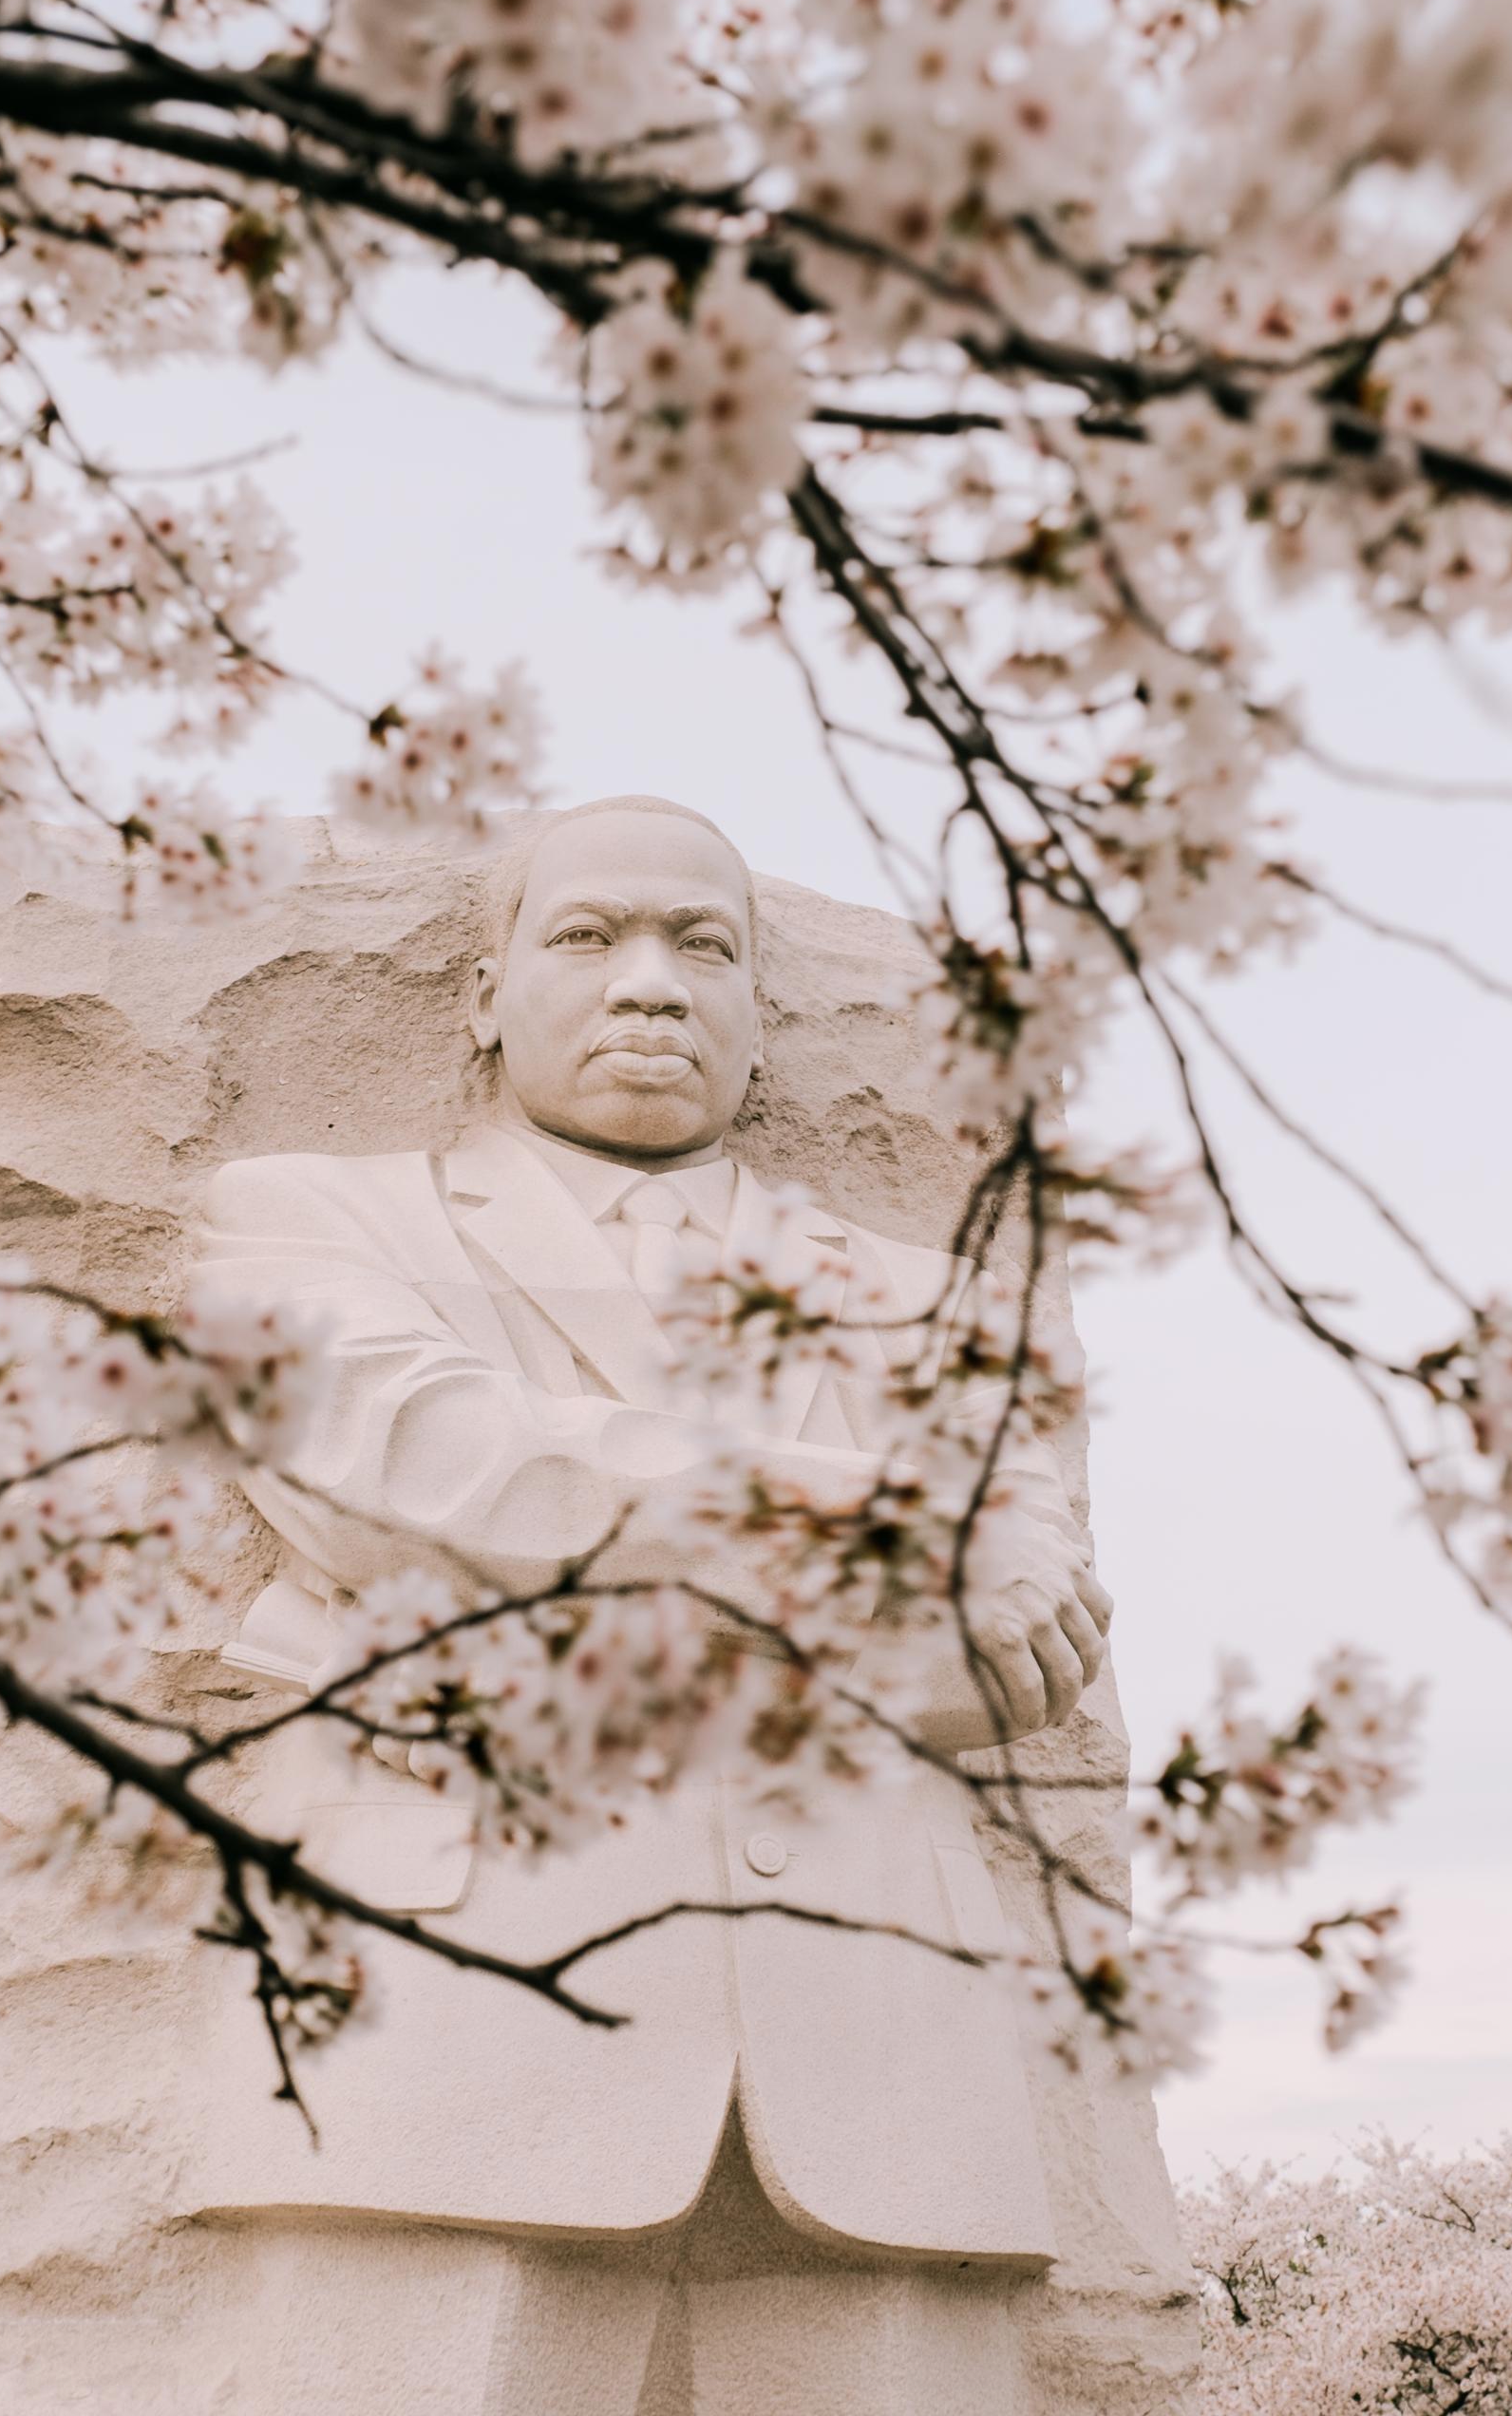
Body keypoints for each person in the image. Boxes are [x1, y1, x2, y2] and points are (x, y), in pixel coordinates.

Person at [183, 798, 1114, 2414]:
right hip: (453, 2022)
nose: (651, 984)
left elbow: (1004, 1652)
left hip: (885, 2057)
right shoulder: (306, 1221)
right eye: (589, 936)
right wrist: (877, 1515)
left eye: (704, 947)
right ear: (483, 997)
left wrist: (504, 1620)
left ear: (762, 1012)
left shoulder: (933, 1304)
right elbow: (423, 1461)